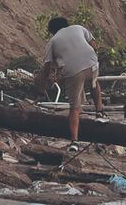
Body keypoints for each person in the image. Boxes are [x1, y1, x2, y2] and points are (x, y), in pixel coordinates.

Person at [37, 16, 104, 152]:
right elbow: (94, 45)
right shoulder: (79, 28)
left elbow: (47, 67)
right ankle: (100, 113)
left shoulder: (53, 41)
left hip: (73, 71)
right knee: (94, 84)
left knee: (74, 108)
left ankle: (74, 142)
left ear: (52, 31)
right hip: (92, 62)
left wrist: (42, 87)